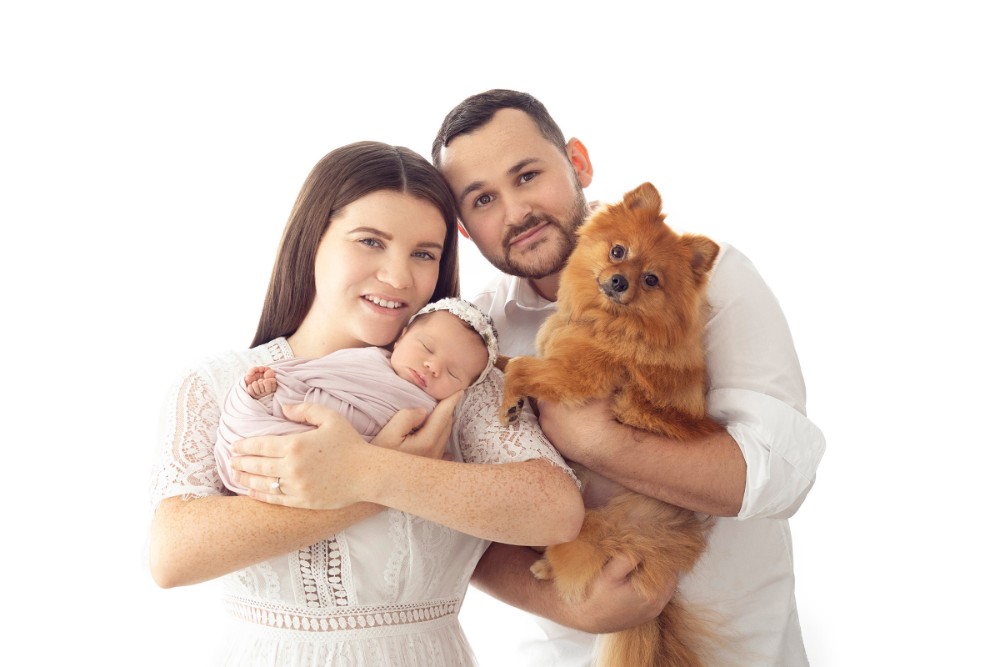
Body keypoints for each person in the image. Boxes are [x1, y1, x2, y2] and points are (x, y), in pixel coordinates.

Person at [148, 140, 584, 666]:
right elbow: (171, 557)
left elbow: (556, 511)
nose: (400, 278)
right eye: (370, 241)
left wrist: (371, 472)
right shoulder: (221, 383)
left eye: (424, 253)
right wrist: (378, 475)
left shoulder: (452, 383)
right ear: (313, 238)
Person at [431, 90, 827, 666]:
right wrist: (571, 607)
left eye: (527, 175)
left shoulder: (706, 282)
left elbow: (779, 476)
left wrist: (602, 440)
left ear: (579, 162)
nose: (515, 213)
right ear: (465, 228)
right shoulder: (473, 332)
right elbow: (453, 523)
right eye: (484, 198)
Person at [214, 297, 500, 495]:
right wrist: (284, 385)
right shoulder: (367, 358)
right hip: (296, 409)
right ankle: (267, 400)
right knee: (279, 395)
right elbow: (316, 373)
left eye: (453, 374)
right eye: (426, 347)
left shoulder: (428, 414)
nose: (433, 367)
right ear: (401, 337)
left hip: (341, 447)